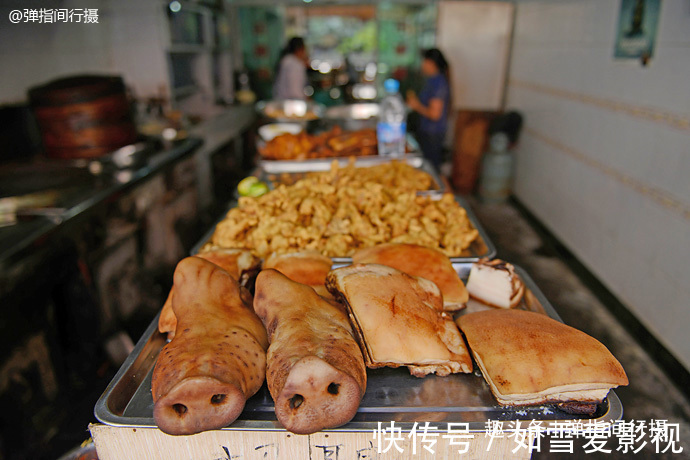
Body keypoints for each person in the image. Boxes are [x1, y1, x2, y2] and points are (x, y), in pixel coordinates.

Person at [406, 48, 451, 170]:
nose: (422, 65)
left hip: (432, 134)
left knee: (431, 168)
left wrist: (416, 105)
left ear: (431, 63)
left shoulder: (438, 83)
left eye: (424, 61)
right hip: (426, 131)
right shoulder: (431, 81)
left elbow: (435, 114)